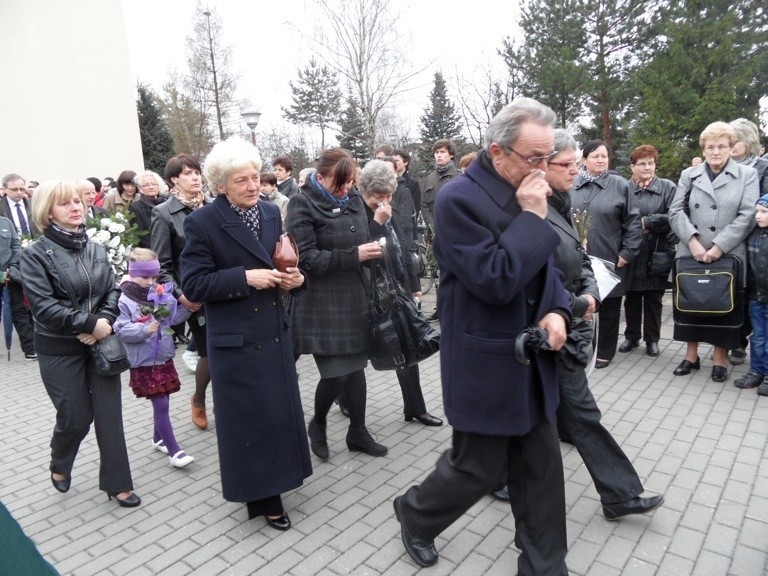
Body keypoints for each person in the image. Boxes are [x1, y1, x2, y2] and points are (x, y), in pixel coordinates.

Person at [393, 98, 571, 574]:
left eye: (547, 157)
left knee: (542, 473)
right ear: (498, 151)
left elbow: (544, 267)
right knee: (478, 468)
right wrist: (533, 217)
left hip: (533, 358)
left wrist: (557, 310)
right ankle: (415, 514)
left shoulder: (529, 187)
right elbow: (495, 278)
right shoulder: (459, 200)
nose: (543, 168)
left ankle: (544, 567)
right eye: (535, 158)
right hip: (487, 360)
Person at [181, 137, 311, 530]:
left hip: (272, 333)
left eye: (256, 177)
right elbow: (194, 285)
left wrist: (296, 281)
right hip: (236, 342)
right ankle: (264, 498)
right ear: (221, 185)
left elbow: (282, 263)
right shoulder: (201, 222)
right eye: (242, 180)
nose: (253, 185)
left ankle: (283, 480)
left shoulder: (271, 212)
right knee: (250, 423)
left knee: (278, 415)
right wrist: (244, 278)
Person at [543, 130, 663, 518]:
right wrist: (576, 302)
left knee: (581, 413)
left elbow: (579, 257)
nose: (576, 170)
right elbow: (530, 279)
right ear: (542, 164)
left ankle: (619, 494)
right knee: (511, 427)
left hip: (566, 330)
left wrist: (591, 293)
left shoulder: (562, 201)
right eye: (568, 163)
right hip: (541, 334)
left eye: (578, 162)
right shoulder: (526, 208)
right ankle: (427, 508)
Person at [20, 180, 140, 507]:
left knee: (109, 416)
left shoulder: (96, 248)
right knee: (75, 417)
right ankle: (60, 461)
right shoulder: (34, 256)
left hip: (101, 345)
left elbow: (114, 290)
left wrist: (102, 322)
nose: (75, 207)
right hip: (60, 349)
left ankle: (118, 483)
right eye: (65, 203)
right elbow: (43, 307)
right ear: (48, 211)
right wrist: (89, 324)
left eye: (77, 201)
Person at [286, 148, 388, 459]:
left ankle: (358, 431)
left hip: (356, 294)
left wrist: (375, 240)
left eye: (350, 183)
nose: (346, 190)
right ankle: (317, 424)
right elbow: (305, 257)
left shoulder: (354, 196)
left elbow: (361, 235)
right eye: (339, 184)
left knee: (356, 370)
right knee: (337, 373)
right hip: (321, 302)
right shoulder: (300, 203)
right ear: (320, 177)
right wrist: (354, 256)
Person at [668, 121, 759, 383]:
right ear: (703, 149)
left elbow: (748, 214)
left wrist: (719, 246)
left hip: (728, 253)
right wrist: (694, 242)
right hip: (690, 251)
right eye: (710, 147)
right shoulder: (689, 174)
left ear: (731, 148)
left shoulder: (746, 175)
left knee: (722, 305)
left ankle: (719, 358)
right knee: (690, 303)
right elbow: (675, 211)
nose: (715, 151)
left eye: (721, 146)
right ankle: (691, 356)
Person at [359, 160, 443, 426]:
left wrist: (415, 288)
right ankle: (344, 399)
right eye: (377, 196)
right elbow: (359, 252)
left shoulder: (391, 211)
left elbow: (403, 250)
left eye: (388, 196)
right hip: (366, 294)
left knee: (408, 346)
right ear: (364, 191)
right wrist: (375, 222)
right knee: (358, 354)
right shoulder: (356, 213)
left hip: (397, 290)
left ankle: (415, 408)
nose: (383, 201)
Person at [114, 247, 194, 468]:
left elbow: (171, 319)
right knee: (161, 405)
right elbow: (120, 329)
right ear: (132, 274)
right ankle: (174, 451)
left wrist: (188, 308)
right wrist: (144, 330)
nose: (150, 281)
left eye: (153, 276)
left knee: (164, 400)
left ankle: (158, 438)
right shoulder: (125, 299)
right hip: (144, 361)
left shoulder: (160, 294)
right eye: (144, 277)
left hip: (163, 356)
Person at [151, 153, 212, 429]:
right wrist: (180, 295)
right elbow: (161, 265)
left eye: (197, 171)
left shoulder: (212, 206)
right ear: (174, 179)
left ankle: (229, 403)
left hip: (221, 288)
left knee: (229, 352)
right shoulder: (163, 213)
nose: (195, 177)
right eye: (188, 173)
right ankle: (199, 399)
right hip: (192, 296)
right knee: (210, 353)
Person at [572, 140, 642, 368]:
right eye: (595, 156)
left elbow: (633, 222)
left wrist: (627, 252)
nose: (601, 160)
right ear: (584, 160)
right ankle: (581, 347)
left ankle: (604, 351)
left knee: (609, 308)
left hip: (610, 257)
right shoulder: (572, 183)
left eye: (604, 156)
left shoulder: (620, 185)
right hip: (576, 258)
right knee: (581, 304)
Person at [619, 145, 677, 357]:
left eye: (651, 163)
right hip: (631, 252)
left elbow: (674, 216)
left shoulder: (668, 188)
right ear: (632, 166)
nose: (647, 167)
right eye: (642, 163)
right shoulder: (623, 187)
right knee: (632, 297)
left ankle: (652, 339)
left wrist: (646, 222)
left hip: (657, 251)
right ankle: (631, 337)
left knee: (654, 299)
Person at [727, 118, 768, 365]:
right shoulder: (726, 167)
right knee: (734, 293)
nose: (732, 145)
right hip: (729, 237)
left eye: (737, 139)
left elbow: (763, 202)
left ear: (748, 141)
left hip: (754, 238)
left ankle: (749, 349)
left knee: (751, 293)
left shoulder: (762, 166)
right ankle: (735, 341)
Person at [0, 173, 38, 359]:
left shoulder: (33, 205)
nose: (19, 193)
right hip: (7, 269)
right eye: (14, 189)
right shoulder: (2, 211)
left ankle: (34, 345)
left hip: (33, 260)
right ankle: (30, 347)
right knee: (17, 308)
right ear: (4, 190)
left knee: (33, 304)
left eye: (22, 189)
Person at [734, 194, 768, 392]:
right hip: (756, 296)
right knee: (758, 336)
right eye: (757, 211)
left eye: (764, 212)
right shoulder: (753, 234)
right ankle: (757, 372)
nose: (758, 216)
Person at [420, 139, 458, 230]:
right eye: (437, 152)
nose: (439, 155)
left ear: (451, 154)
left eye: (443, 152)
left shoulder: (459, 177)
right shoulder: (428, 178)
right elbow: (424, 205)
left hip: (455, 231)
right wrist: (433, 226)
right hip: (434, 233)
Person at [129, 170, 166, 249]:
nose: (151, 187)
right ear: (140, 188)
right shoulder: (135, 207)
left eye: (154, 184)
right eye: (146, 185)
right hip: (151, 251)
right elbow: (140, 235)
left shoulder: (167, 203)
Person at [393, 148, 421, 217]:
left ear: (405, 162)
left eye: (396, 161)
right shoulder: (388, 182)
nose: (393, 163)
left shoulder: (413, 184)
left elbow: (416, 208)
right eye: (392, 161)